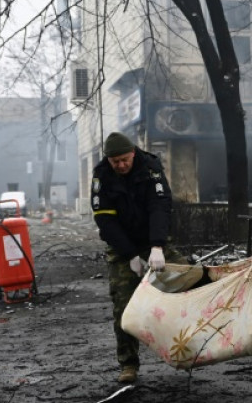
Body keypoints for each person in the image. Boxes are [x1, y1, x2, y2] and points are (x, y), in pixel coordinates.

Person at [91, 131, 187, 384]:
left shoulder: (151, 168)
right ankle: (128, 364)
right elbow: (105, 220)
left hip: (152, 239)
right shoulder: (102, 176)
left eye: (125, 159)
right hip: (123, 246)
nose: (121, 165)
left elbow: (160, 207)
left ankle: (194, 346)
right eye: (116, 162)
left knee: (189, 279)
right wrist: (130, 254)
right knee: (123, 306)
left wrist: (157, 246)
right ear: (108, 160)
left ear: (133, 153)